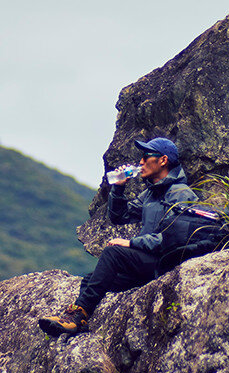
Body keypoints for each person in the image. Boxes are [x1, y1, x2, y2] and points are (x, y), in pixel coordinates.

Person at [38, 137, 198, 337]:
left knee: (114, 253)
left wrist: (131, 243)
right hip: (147, 264)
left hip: (164, 263)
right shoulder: (151, 194)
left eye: (146, 156)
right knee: (90, 281)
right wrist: (119, 187)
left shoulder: (181, 194)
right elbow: (119, 216)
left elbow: (174, 239)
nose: (141, 162)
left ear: (163, 160)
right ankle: (80, 321)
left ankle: (76, 317)